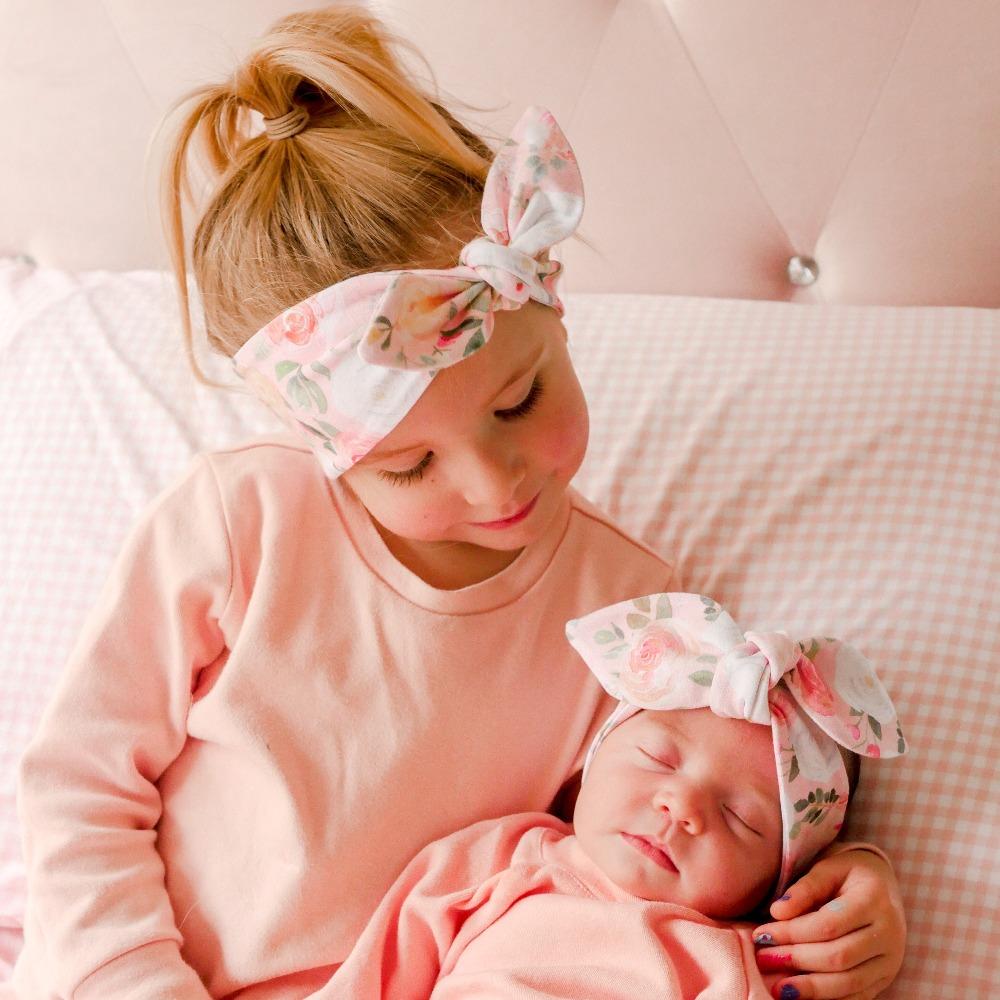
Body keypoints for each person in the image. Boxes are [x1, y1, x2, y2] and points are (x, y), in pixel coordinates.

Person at [11, 7, 905, 1000]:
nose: (495, 483)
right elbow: (79, 787)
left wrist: (844, 876)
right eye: (406, 466)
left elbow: (660, 843)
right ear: (329, 451)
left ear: (558, 322)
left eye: (519, 400)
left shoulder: (630, 615)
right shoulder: (244, 519)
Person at [313, 593, 908, 1000]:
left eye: (740, 818)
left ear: (772, 883)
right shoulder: (510, 855)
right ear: (595, 756)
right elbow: (384, 966)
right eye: (657, 759)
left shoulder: (736, 959)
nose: (681, 806)